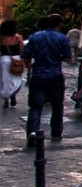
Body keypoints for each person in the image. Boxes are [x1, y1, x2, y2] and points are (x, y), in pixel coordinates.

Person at [22, 14, 73, 146]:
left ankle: (32, 131)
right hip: (55, 75)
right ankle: (56, 133)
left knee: (35, 106)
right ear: (59, 25)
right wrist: (58, 57)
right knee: (57, 106)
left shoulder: (35, 37)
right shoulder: (62, 38)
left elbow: (26, 56)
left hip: (38, 75)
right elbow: (69, 58)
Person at [1, 19, 26, 108]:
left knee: (5, 80)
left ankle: (6, 99)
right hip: (16, 59)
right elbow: (22, 50)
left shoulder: (1, 38)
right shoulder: (18, 37)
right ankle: (13, 95)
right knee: (16, 79)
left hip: (4, 60)